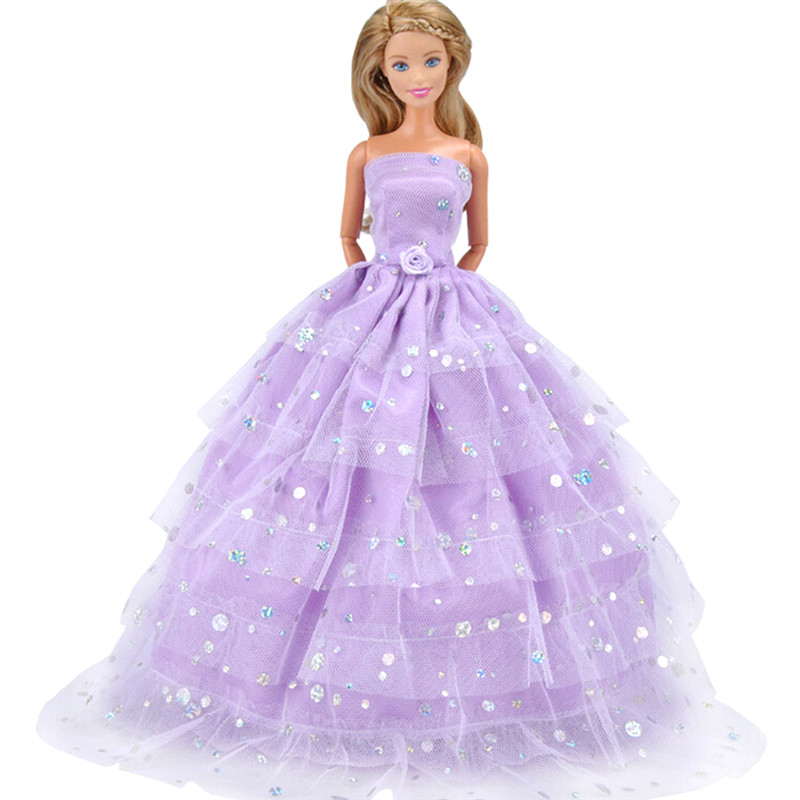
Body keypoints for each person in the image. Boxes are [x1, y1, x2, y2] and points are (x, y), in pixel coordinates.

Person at [36, 2, 767, 799]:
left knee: (481, 466)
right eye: (401, 65)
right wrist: (375, 282)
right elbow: (346, 231)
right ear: (379, 74)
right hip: (372, 307)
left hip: (453, 313)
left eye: (431, 62)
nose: (417, 76)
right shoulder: (367, 151)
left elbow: (480, 240)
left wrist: (449, 289)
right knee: (327, 457)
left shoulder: (468, 154)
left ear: (453, 66)